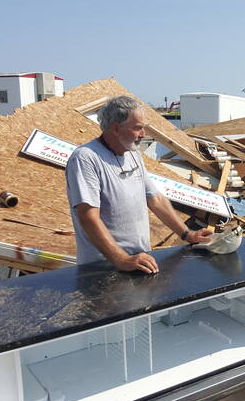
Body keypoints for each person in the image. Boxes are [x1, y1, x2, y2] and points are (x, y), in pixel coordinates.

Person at [65, 96, 212, 273]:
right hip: (103, 268)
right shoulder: (86, 158)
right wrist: (122, 259)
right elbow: (88, 217)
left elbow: (155, 199)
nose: (143, 135)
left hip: (139, 261)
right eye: (138, 128)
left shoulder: (132, 154)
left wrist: (187, 234)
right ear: (116, 128)